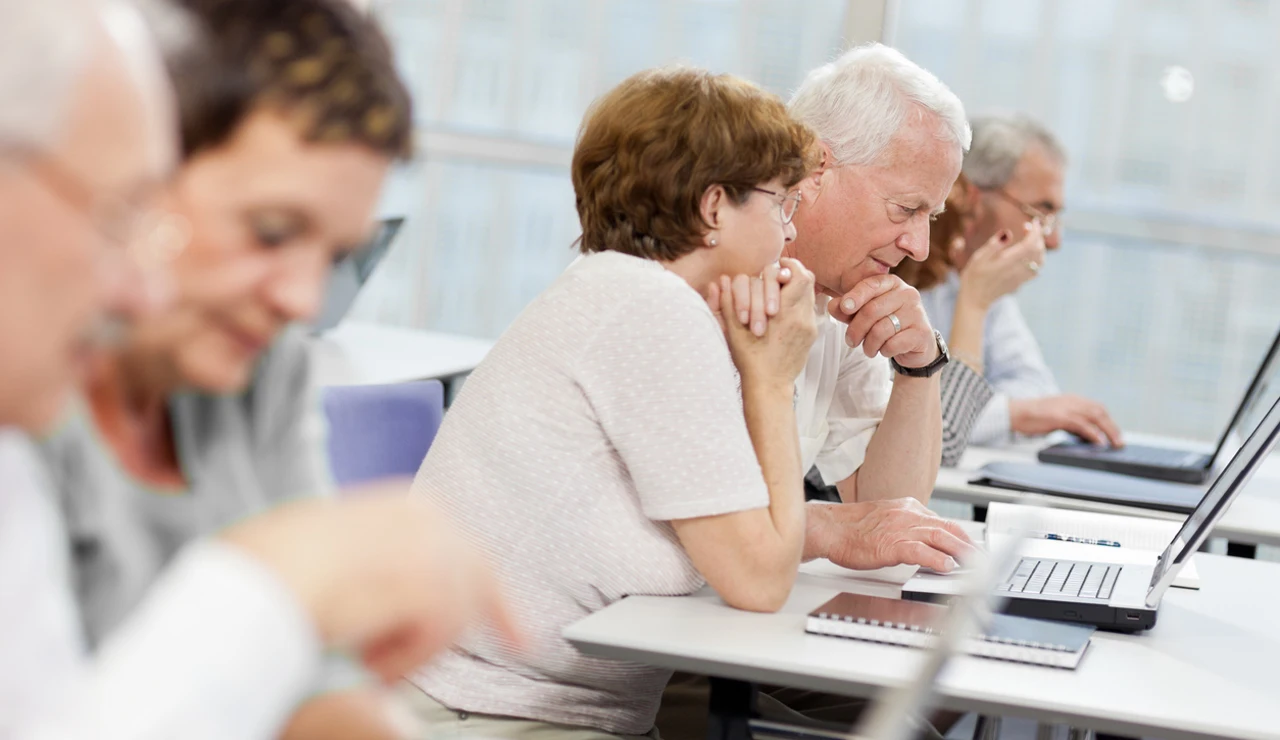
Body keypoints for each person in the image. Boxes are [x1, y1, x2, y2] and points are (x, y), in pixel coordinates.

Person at [398, 66, 974, 740]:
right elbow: (758, 576)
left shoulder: (656, 295)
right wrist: (770, 378)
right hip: (492, 703)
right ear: (712, 209)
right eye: (779, 204)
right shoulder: (652, 308)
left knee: (905, 723)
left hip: (581, 684)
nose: (788, 230)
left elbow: (814, 528)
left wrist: (908, 369)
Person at [0, 1, 513, 737]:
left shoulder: (257, 370)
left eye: (336, 255)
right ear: (146, 162)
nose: (301, 300)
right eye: (270, 231)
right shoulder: (24, 396)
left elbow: (314, 679)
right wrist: (278, 578)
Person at [920, 113, 1123, 448]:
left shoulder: (989, 289)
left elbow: (1037, 391)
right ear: (970, 197)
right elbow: (938, 431)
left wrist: (1012, 412)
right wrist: (1018, 416)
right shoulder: (894, 271)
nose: (1053, 240)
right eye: (1040, 213)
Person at [892, 172, 1046, 465]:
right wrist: (973, 304)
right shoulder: (886, 286)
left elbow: (1038, 389)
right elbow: (945, 436)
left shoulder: (960, 281)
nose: (1050, 238)